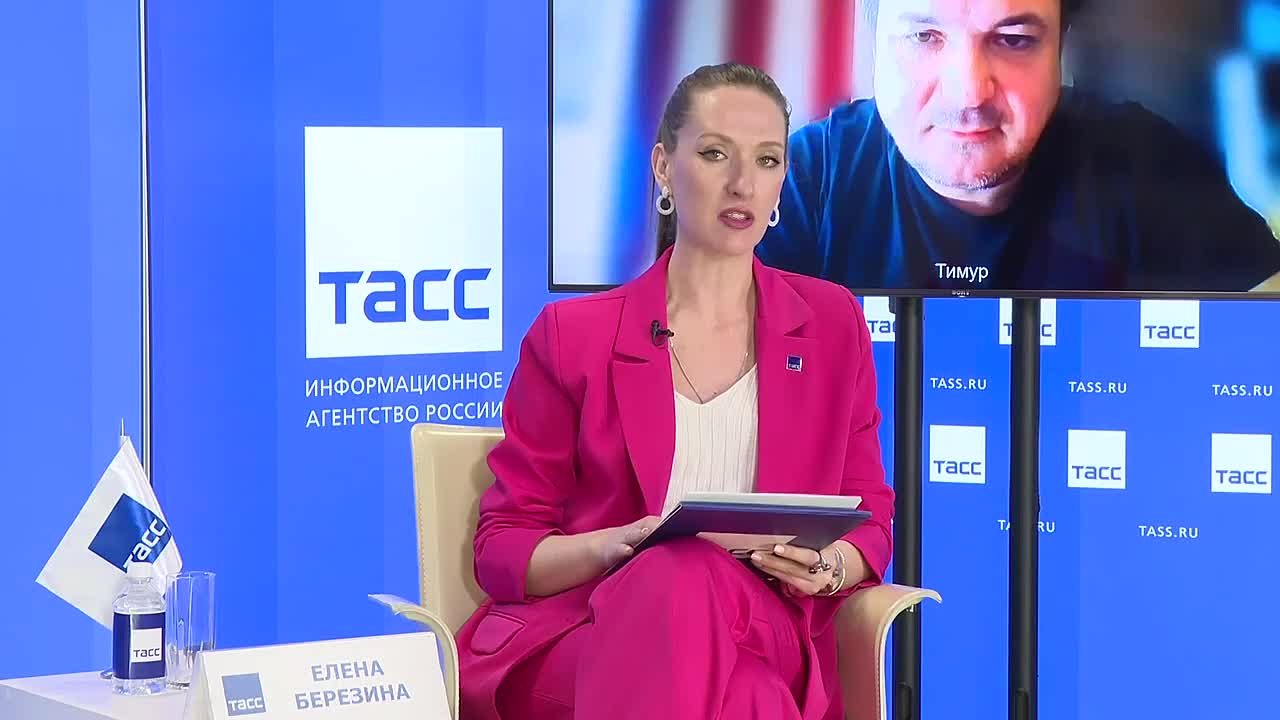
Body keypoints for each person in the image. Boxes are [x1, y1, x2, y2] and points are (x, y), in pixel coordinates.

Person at [455, 63, 894, 720]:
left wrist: (830, 566)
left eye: (767, 160)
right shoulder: (573, 336)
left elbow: (870, 518)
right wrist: (615, 546)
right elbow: (503, 547)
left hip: (766, 623)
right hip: (591, 627)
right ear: (663, 166)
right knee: (741, 685)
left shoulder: (832, 325)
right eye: (715, 153)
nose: (742, 183)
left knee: (686, 576)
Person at [757, 0, 1280, 294]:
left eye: (1013, 40)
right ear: (872, 39)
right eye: (925, 37)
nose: (969, 92)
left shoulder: (1146, 165)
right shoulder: (799, 187)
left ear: (1059, 49)